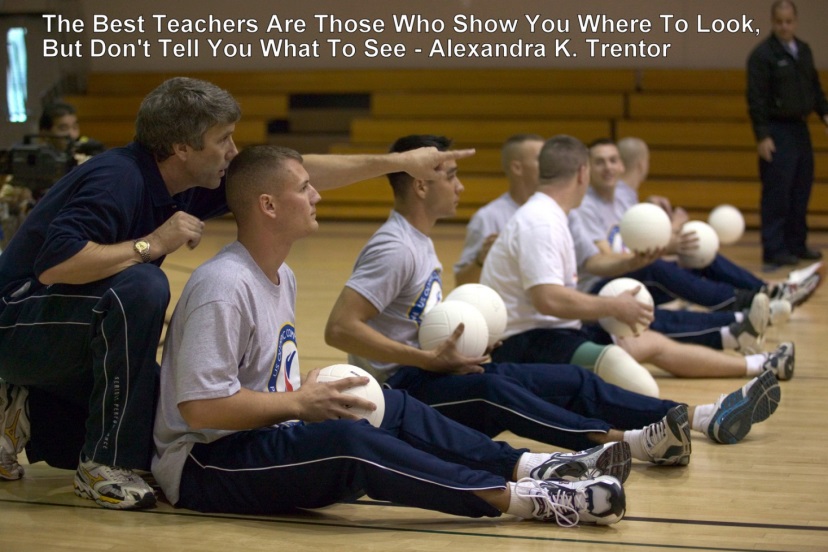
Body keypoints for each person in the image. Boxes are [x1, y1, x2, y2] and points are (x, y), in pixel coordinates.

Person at [0, 77, 479, 510]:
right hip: (15, 323)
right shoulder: (118, 177)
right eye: (223, 139)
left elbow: (293, 173)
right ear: (181, 147)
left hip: (57, 326)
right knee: (142, 286)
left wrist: (399, 163)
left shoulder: (185, 180)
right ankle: (102, 464)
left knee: (152, 410)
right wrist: (153, 244)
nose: (233, 151)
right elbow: (56, 264)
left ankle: (31, 411)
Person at [153, 144, 628, 528]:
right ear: (268, 205)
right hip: (204, 464)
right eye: (304, 188)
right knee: (349, 440)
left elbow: (261, 378)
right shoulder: (223, 286)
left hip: (261, 434)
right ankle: (528, 499)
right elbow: (201, 408)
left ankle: (530, 466)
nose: (317, 196)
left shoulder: (282, 275)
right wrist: (297, 403)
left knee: (385, 403)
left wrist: (303, 393)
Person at [325, 134, 782, 468]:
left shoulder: (419, 242)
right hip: (399, 390)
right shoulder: (395, 247)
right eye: (451, 176)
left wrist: (460, 348)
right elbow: (340, 328)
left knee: (571, 380)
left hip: (433, 368)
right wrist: (426, 358)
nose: (460, 186)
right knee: (497, 392)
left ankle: (701, 417)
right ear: (421, 186)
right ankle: (631, 442)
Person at [481, 135, 793, 391]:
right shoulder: (542, 221)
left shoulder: (550, 215)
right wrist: (614, 307)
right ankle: (683, 418)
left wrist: (631, 266)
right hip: (526, 345)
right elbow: (548, 299)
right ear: (582, 173)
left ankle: (760, 363)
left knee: (650, 341)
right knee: (639, 385)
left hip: (550, 333)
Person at [571, 138, 796, 356]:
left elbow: (637, 236)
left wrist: (664, 227)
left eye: (613, 160)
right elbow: (609, 258)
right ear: (587, 169)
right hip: (598, 289)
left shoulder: (622, 197)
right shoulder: (585, 208)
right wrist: (666, 241)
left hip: (629, 274)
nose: (608, 167)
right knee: (654, 273)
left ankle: (762, 293)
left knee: (692, 250)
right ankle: (742, 308)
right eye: (599, 162)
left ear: (622, 166)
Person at [616, 136, 820, 311]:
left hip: (633, 275)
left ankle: (767, 290)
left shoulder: (626, 197)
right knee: (692, 250)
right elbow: (635, 250)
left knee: (699, 253)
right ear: (642, 164)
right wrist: (674, 226)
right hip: (629, 282)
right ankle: (760, 297)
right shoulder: (620, 199)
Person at [747, 0, 828, 268]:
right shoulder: (762, 55)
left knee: (801, 189)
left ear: (796, 21)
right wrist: (762, 135)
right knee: (777, 192)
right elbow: (756, 98)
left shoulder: (803, 50)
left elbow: (814, 88)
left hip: (800, 128)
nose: (784, 26)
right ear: (773, 22)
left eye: (789, 21)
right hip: (776, 129)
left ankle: (797, 243)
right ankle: (774, 249)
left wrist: (824, 113)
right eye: (779, 22)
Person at [454, 134, 544, 286]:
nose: (550, 165)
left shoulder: (562, 211)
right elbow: (462, 282)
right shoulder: (488, 218)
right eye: (541, 159)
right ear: (517, 168)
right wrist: (481, 260)